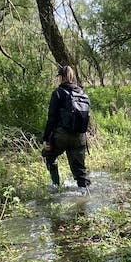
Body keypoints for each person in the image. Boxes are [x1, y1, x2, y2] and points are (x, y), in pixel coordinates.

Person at [41, 64, 91, 193]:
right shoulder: (82, 92)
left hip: (62, 135)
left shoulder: (57, 93)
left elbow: (51, 118)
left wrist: (46, 138)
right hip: (80, 136)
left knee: (49, 155)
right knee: (79, 168)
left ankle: (55, 185)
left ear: (61, 77)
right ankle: (83, 193)